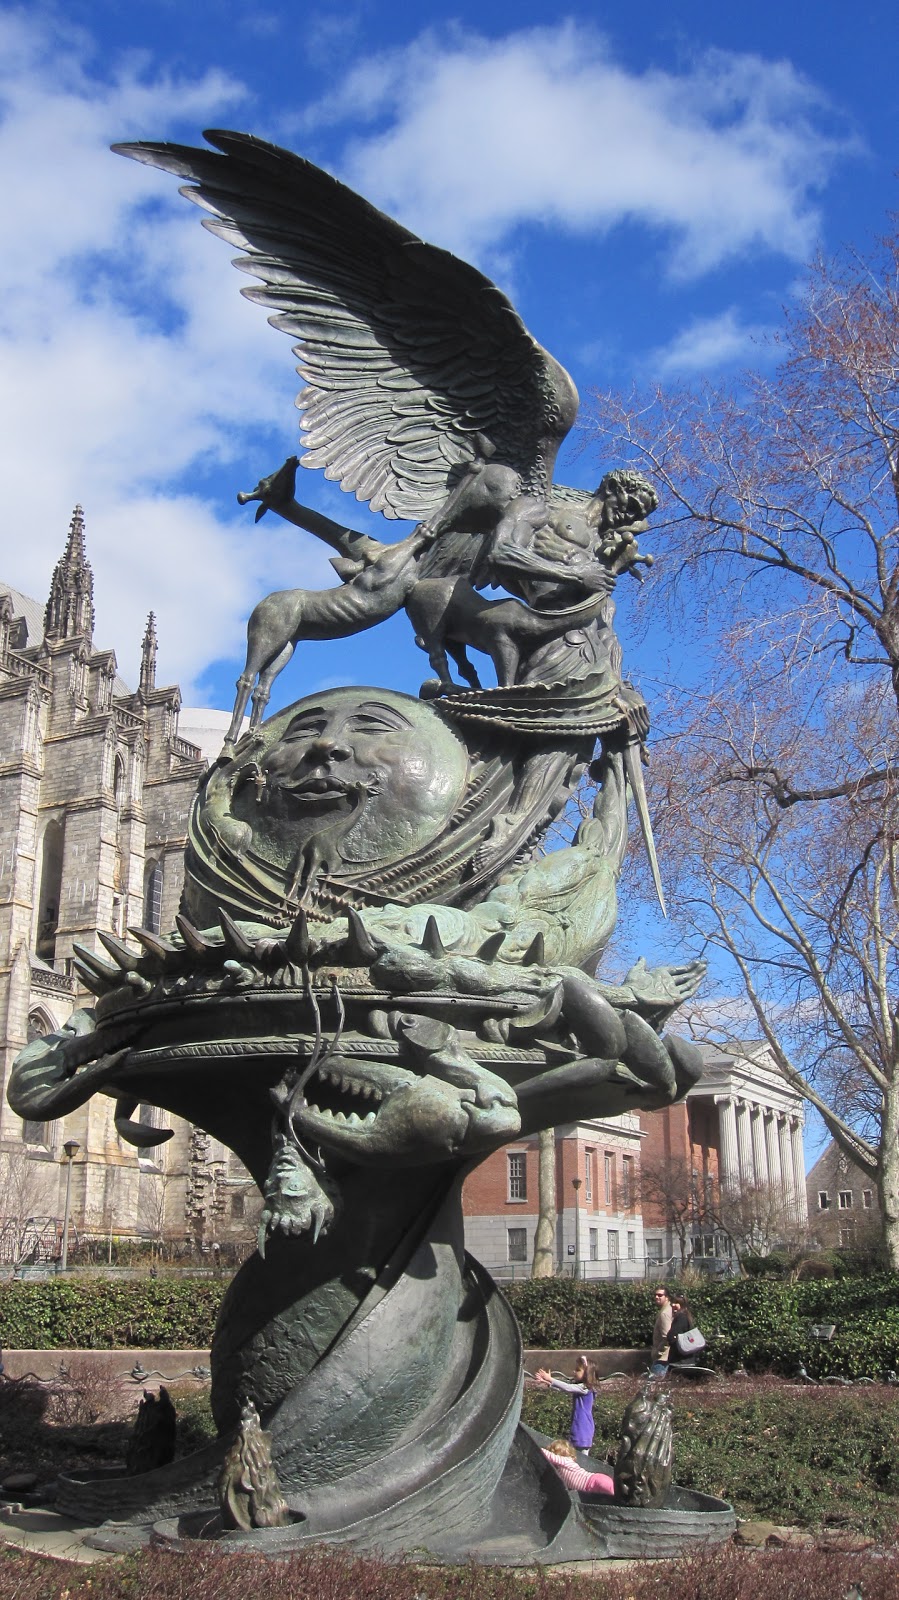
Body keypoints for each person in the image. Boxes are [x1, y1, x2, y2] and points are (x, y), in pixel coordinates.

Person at [533, 1355, 598, 1450]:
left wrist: (550, 1379)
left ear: (587, 1373)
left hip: (583, 1430)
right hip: (578, 1428)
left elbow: (567, 1387)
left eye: (578, 1370)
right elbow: (565, 1389)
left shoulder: (585, 1388)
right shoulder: (581, 1388)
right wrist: (548, 1383)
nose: (574, 1372)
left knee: (582, 1460)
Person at [541, 1438, 614, 1497]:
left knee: (616, 1496)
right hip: (590, 1487)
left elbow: (549, 1456)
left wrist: (535, 1446)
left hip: (594, 1481)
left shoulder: (565, 1461)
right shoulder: (558, 1470)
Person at [665, 1294, 699, 1366]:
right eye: (672, 1302)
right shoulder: (687, 1316)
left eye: (676, 1303)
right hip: (688, 1359)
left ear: (682, 1305)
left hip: (679, 1361)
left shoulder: (681, 1317)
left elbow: (671, 1336)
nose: (673, 1305)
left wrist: (670, 1337)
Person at [649, 1284, 673, 1377]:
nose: (656, 1297)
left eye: (660, 1295)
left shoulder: (664, 1313)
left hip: (662, 1359)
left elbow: (666, 1337)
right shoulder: (669, 1309)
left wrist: (657, 1352)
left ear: (667, 1297)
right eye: (655, 1295)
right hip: (665, 1357)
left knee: (653, 1386)